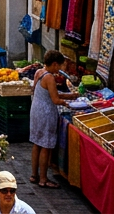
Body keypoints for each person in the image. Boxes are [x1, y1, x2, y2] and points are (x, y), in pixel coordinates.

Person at [31, 50, 77, 188]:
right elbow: (56, 99)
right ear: (55, 64)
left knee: (36, 143)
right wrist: (67, 103)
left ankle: (34, 175)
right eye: (59, 66)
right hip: (46, 113)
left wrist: (70, 96)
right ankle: (43, 179)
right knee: (46, 146)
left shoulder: (39, 72)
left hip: (36, 110)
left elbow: (48, 93)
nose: (59, 70)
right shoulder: (49, 77)